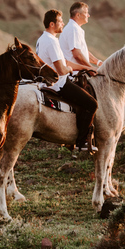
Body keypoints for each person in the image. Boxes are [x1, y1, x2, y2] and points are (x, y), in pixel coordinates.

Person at [36, 9, 98, 152]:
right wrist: (71, 70)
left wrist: (84, 67)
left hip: (47, 80)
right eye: (60, 21)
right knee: (91, 103)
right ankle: (82, 142)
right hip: (58, 84)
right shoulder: (51, 41)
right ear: (52, 24)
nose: (63, 23)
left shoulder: (43, 39)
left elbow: (64, 61)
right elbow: (62, 69)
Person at [60, 1, 103, 72]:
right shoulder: (73, 29)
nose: (88, 15)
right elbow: (77, 55)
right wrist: (91, 69)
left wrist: (99, 63)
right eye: (86, 13)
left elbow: (82, 52)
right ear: (78, 15)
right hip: (74, 75)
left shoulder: (74, 28)